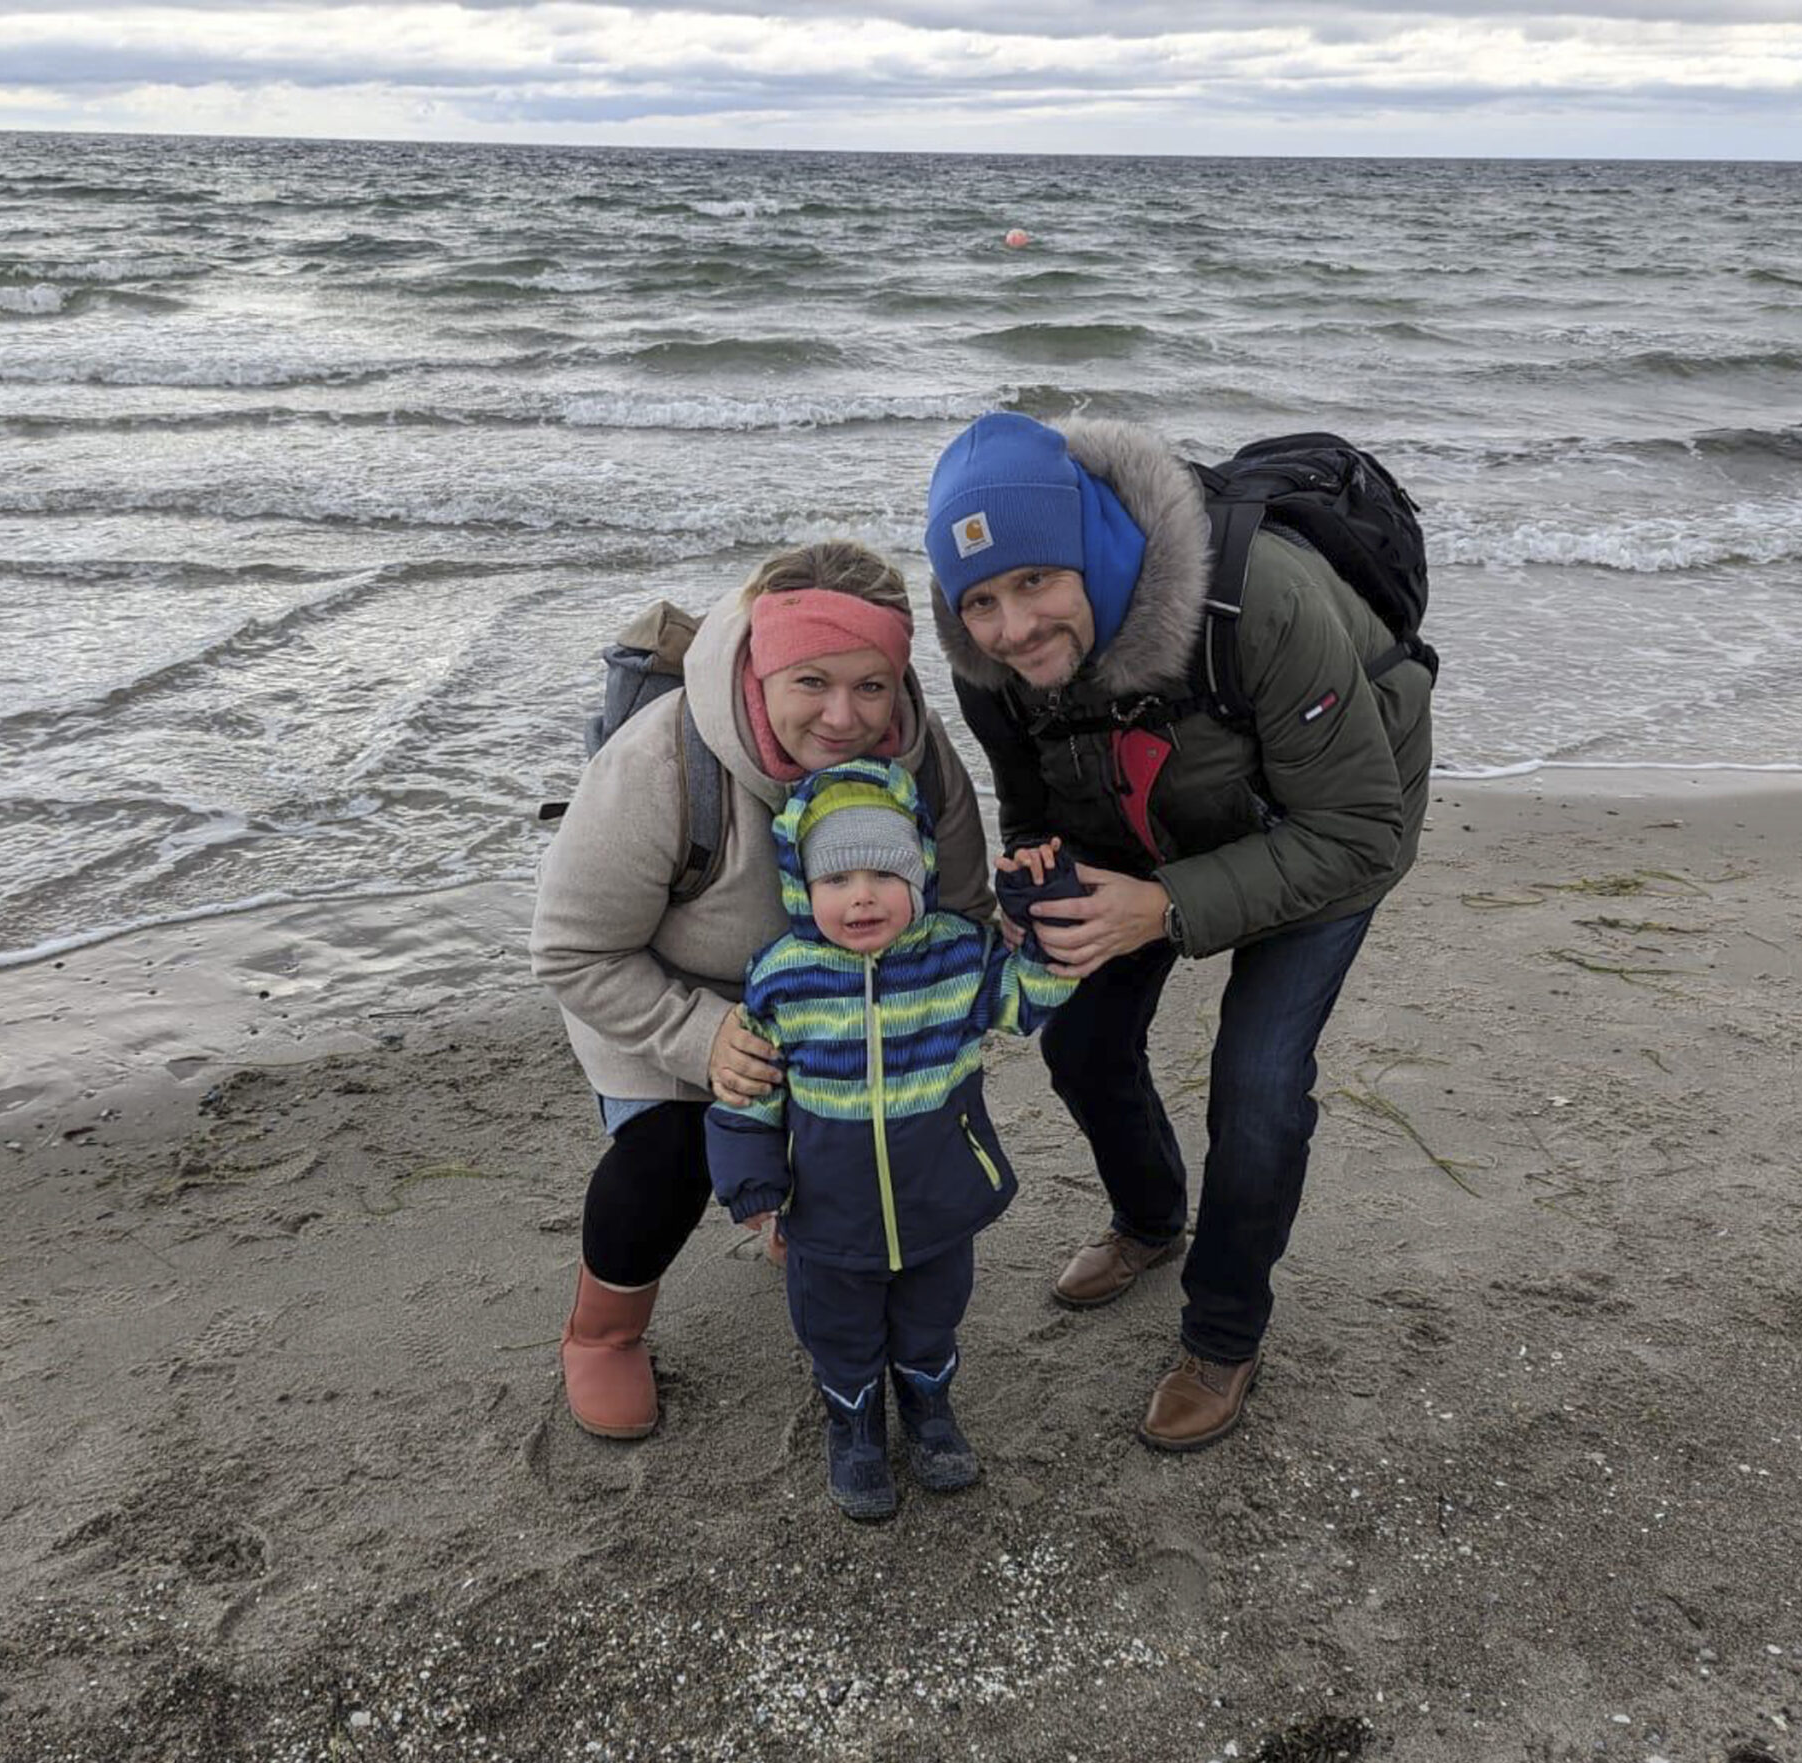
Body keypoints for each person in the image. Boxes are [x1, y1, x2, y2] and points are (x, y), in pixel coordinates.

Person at [921, 411, 1433, 1452]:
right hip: (1142, 822)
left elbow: (1359, 830)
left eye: (1035, 582)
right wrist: (1041, 877)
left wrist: (1162, 907)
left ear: (1095, 550)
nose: (1013, 629)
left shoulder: (1262, 599)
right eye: (979, 600)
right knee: (1078, 1036)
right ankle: (1150, 1220)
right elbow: (1032, 807)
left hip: (1325, 821)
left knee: (1255, 1084)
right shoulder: (992, 673)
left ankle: (1224, 1329)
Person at [530, 542, 993, 1442]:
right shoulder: (662, 763)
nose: (844, 716)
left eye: (872, 686)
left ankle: (815, 1236)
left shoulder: (922, 762)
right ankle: (604, 1332)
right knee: (670, 1154)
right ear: (760, 665)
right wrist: (699, 1036)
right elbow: (572, 948)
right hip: (665, 994)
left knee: (876, 1131)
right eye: (811, 681)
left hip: (847, 1002)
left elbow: (964, 911)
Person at [705, 758, 1074, 1520]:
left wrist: (1043, 916)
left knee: (932, 1317)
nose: (862, 894)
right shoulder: (782, 978)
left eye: (885, 872)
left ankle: (929, 1407)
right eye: (837, 879)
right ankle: (855, 1427)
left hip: (939, 1202)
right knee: (838, 1331)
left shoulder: (958, 957)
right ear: (803, 889)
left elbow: (1029, 1001)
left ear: (923, 872)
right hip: (828, 1217)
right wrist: (755, 1189)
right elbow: (752, 1091)